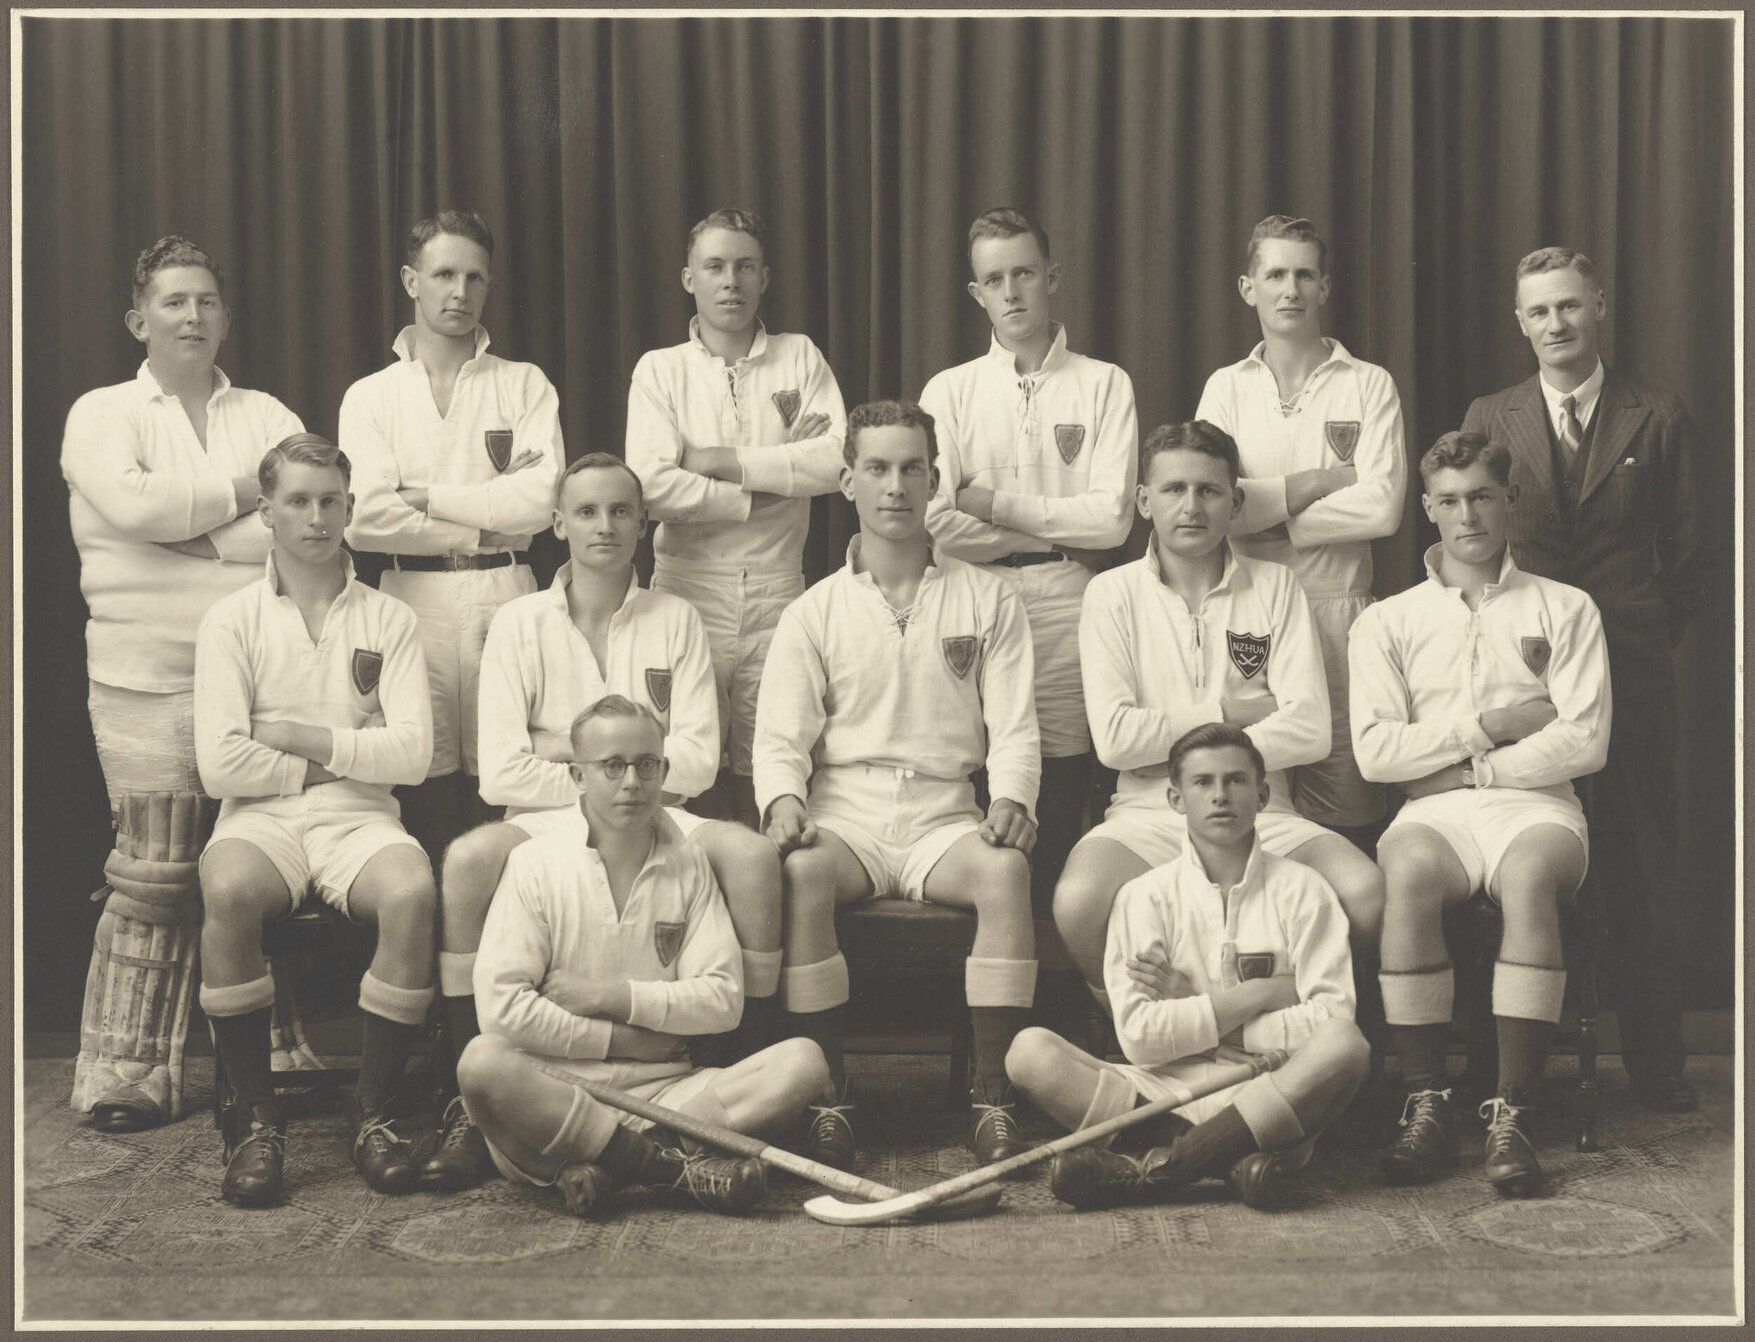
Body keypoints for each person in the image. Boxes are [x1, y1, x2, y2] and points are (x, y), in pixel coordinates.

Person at [423, 454, 784, 1191]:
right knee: (467, 860)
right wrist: (612, 767)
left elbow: (697, 763)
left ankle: (722, 1062)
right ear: (557, 524)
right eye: (586, 511)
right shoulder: (519, 622)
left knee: (751, 857)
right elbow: (500, 772)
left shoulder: (674, 617)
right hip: (544, 816)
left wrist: (576, 753)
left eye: (621, 510)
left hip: (658, 807)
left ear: (644, 523)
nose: (605, 525)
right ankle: (464, 1102)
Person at [753, 399, 1041, 1168]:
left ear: (934, 479)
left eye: (912, 468)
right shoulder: (812, 611)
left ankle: (992, 1094)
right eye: (877, 468)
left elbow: (1014, 728)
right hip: (845, 814)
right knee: (803, 872)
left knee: (1005, 872)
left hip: (944, 814)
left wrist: (1011, 799)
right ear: (847, 481)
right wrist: (783, 801)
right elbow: (780, 739)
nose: (895, 485)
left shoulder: (988, 597)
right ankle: (826, 1093)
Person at [60, 235, 306, 1131]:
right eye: (173, 302)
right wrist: (244, 496)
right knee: (156, 874)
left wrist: (177, 530)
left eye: (205, 301)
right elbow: (129, 509)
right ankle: (125, 1075)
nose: (191, 316)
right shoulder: (102, 413)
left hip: (259, 679)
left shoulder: (267, 411)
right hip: (144, 677)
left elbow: (304, 526)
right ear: (139, 320)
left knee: (254, 865)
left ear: (226, 317)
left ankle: (270, 1062)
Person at [1461, 247, 1708, 1114]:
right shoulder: (1490, 416)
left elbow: (1688, 556)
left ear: (1598, 306)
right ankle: (1496, 1064)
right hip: (1523, 674)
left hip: (1631, 668)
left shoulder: (1657, 415)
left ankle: (1655, 1063)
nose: (1555, 323)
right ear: (1518, 322)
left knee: (1639, 858)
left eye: (1568, 305)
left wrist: (1636, 635)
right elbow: (1474, 539)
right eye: (1538, 311)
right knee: (1512, 848)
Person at [1350, 431, 1611, 1197]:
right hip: (1433, 815)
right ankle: (1427, 1103)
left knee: (1527, 878)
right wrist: (1490, 727)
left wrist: (1476, 769)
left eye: (1481, 497)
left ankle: (1511, 1113)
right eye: (1449, 501)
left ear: (1509, 501)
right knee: (1405, 873)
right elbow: (1375, 754)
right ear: (1427, 509)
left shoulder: (1565, 607)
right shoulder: (1385, 621)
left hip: (1537, 805)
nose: (1467, 515)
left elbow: (1584, 739)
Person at [1056, 422, 1385, 1020]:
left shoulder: (1277, 585)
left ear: (1235, 503)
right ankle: (1154, 1028)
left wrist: (1169, 743)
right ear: (1144, 501)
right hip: (1148, 812)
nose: (1191, 506)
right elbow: (1116, 741)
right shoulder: (1110, 593)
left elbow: (1311, 730)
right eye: (1174, 489)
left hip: (1265, 811)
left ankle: (1266, 1019)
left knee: (1364, 893)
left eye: (1209, 490)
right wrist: (1227, 714)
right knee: (1078, 902)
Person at [457, 695, 829, 1219]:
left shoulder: (690, 864)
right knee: (482, 1062)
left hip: (668, 1094)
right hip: (556, 1099)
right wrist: (622, 1041)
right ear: (578, 776)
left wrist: (610, 996)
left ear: (664, 771)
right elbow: (502, 1012)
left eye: (647, 764)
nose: (632, 781)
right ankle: (673, 1170)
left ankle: (622, 1166)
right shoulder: (533, 864)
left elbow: (723, 1000)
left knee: (803, 1060)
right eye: (612, 765)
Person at [193, 434, 438, 1207]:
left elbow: (413, 756)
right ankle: (256, 1122)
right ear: (266, 511)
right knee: (228, 888)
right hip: (259, 817)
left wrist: (295, 736)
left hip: (358, 817)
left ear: (350, 507)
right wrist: (347, 754)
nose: (316, 516)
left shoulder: (389, 618)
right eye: (297, 500)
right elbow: (221, 766)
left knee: (412, 892)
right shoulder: (230, 620)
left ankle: (373, 1115)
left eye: (331, 500)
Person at [1009, 723, 1369, 1211]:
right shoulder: (1144, 896)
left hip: (1266, 1093)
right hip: (1161, 1087)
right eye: (1203, 782)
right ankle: (1228, 1160)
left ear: (1263, 795)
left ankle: (1158, 1172)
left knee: (1345, 1044)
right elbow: (1139, 1038)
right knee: (1029, 1052)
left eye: (1236, 780)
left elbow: (1332, 1018)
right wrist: (1258, 995)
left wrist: (1199, 1012)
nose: (1221, 796)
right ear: (1176, 799)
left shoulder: (1304, 889)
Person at [920, 207, 1138, 916]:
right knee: (984, 767)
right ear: (975, 293)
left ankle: (1055, 950)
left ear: (1051, 276)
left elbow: (1111, 520)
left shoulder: (1104, 383)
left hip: (1067, 600)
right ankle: (992, 948)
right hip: (972, 596)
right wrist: (1053, 529)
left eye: (1023, 273)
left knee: (1064, 768)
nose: (1010, 291)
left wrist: (991, 503)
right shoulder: (950, 390)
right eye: (994, 280)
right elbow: (935, 520)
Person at [340, 209, 565, 860]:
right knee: (421, 773)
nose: (460, 293)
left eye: (474, 278)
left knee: (507, 765)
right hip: (410, 601)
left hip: (507, 591)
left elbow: (538, 503)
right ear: (411, 280)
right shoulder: (371, 396)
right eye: (443, 275)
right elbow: (364, 518)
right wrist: (479, 524)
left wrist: (424, 497)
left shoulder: (522, 384)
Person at [625, 207, 848, 826]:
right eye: (715, 267)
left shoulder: (799, 357)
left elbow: (837, 460)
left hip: (779, 589)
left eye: (745, 267)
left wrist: (716, 460)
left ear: (765, 277)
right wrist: (770, 482)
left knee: (772, 764)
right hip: (686, 588)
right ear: (688, 278)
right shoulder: (661, 369)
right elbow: (652, 488)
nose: (731, 281)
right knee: (682, 763)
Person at [1194, 215, 1407, 843]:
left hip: (1336, 608)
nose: (1291, 289)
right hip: (1247, 613)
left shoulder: (1368, 383)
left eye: (1305, 275)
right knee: (1251, 794)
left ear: (1324, 286)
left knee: (1348, 800)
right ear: (1248, 288)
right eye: (1276, 274)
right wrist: (1317, 481)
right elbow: (1211, 505)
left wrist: (1270, 519)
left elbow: (1383, 508)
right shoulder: (1226, 388)